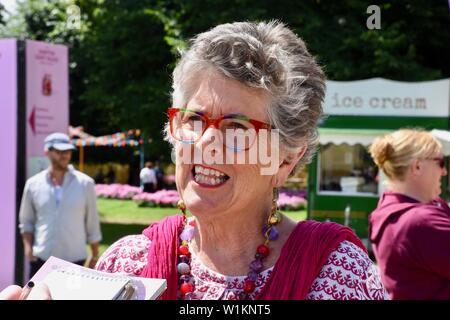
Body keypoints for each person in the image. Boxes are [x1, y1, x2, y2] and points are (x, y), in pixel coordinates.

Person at [2, 21, 387, 300]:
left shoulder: (336, 276)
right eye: (194, 119)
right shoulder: (127, 265)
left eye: (237, 127)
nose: (206, 142)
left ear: (287, 158)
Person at [368, 129, 450, 299]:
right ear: (417, 166)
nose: (444, 172)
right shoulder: (420, 221)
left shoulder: (389, 211)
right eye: (441, 163)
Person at [18, 132, 102, 280]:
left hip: (75, 260)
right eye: (59, 151)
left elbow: (92, 222)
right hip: (42, 258)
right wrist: (28, 247)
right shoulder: (33, 184)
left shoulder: (85, 183)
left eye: (68, 151)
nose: (65, 155)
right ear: (47, 152)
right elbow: (26, 221)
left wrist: (95, 254)